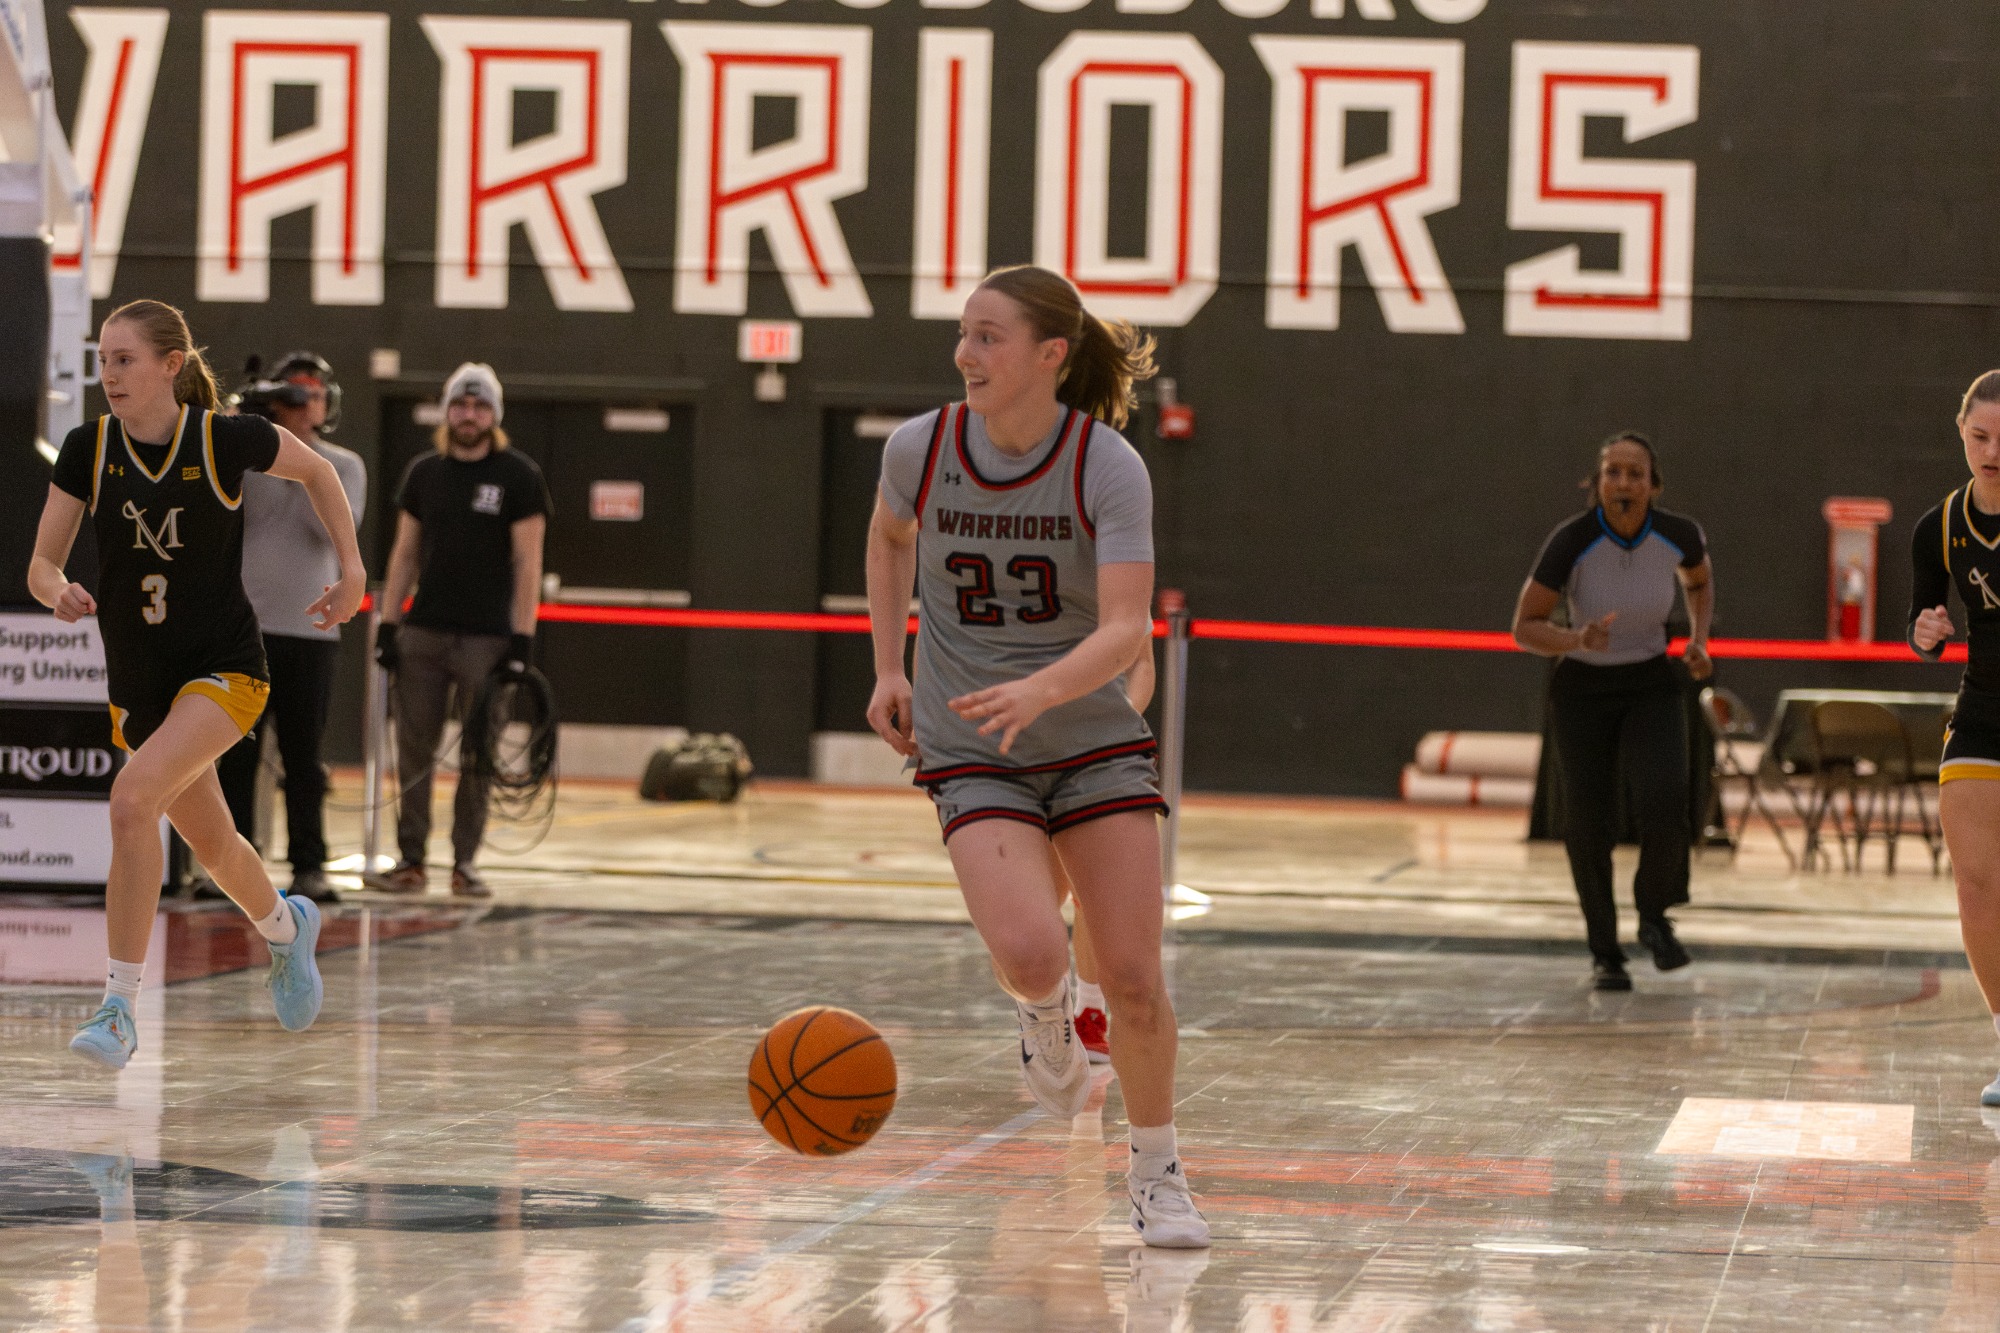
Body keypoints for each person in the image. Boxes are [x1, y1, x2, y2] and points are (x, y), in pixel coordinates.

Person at [865, 264, 1207, 1248]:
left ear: (1050, 355)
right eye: (962, 334)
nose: (963, 354)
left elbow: (1123, 627)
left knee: (1135, 978)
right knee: (1027, 950)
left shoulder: (1106, 465)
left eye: (986, 336)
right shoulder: (917, 449)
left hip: (1091, 733)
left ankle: (1157, 1172)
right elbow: (888, 541)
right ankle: (1046, 1012)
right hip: (972, 739)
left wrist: (1041, 688)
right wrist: (888, 665)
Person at [28, 300, 364, 1069]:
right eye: (103, 359)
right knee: (215, 844)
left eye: (125, 359)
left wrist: (352, 566)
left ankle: (119, 1005)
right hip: (139, 685)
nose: (109, 374)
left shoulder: (222, 437)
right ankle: (286, 926)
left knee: (131, 798)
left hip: (226, 669)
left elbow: (315, 468)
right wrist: (57, 590)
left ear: (171, 365)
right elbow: (41, 562)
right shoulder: (88, 447)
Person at [1511, 433, 1714, 992]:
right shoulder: (1570, 542)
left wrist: (1698, 639)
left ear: (1654, 485)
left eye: (1634, 474)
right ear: (1597, 483)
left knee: (1667, 797)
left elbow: (1698, 581)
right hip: (1583, 688)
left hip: (1650, 679)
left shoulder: (1679, 535)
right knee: (1588, 822)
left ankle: (1655, 916)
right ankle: (1605, 953)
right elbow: (1523, 627)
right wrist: (1576, 638)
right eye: (1612, 473)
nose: (1623, 483)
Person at [367, 363, 548, 899]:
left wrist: (522, 639)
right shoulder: (425, 472)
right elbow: (404, 554)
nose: (469, 415)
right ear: (447, 412)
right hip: (423, 635)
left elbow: (528, 564)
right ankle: (411, 860)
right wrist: (388, 624)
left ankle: (464, 863)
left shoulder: (519, 476)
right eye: (460, 405)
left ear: (494, 416)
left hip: (488, 639)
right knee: (415, 750)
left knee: (479, 753)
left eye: (480, 406)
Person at [216, 353, 367, 901]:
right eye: (293, 395)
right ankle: (229, 866)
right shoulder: (248, 461)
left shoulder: (342, 466)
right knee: (236, 754)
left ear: (328, 406)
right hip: (246, 627)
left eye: (314, 396)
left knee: (304, 757)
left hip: (310, 633)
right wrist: (245, 426)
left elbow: (324, 527)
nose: (305, 405)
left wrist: (301, 456)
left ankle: (309, 864)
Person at [1907, 369, 2000, 1107]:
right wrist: (1927, 632)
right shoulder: (1938, 527)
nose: (1993, 450)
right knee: (1975, 886)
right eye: (1981, 436)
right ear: (1962, 433)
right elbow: (1922, 627)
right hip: (1981, 713)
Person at [1068, 640, 1156, 1064]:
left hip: (1097, 756)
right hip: (1022, 746)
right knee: (1037, 901)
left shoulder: (1120, 576)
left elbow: (1142, 664)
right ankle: (1042, 1009)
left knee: (1091, 892)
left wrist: (1113, 728)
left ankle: (1087, 1012)